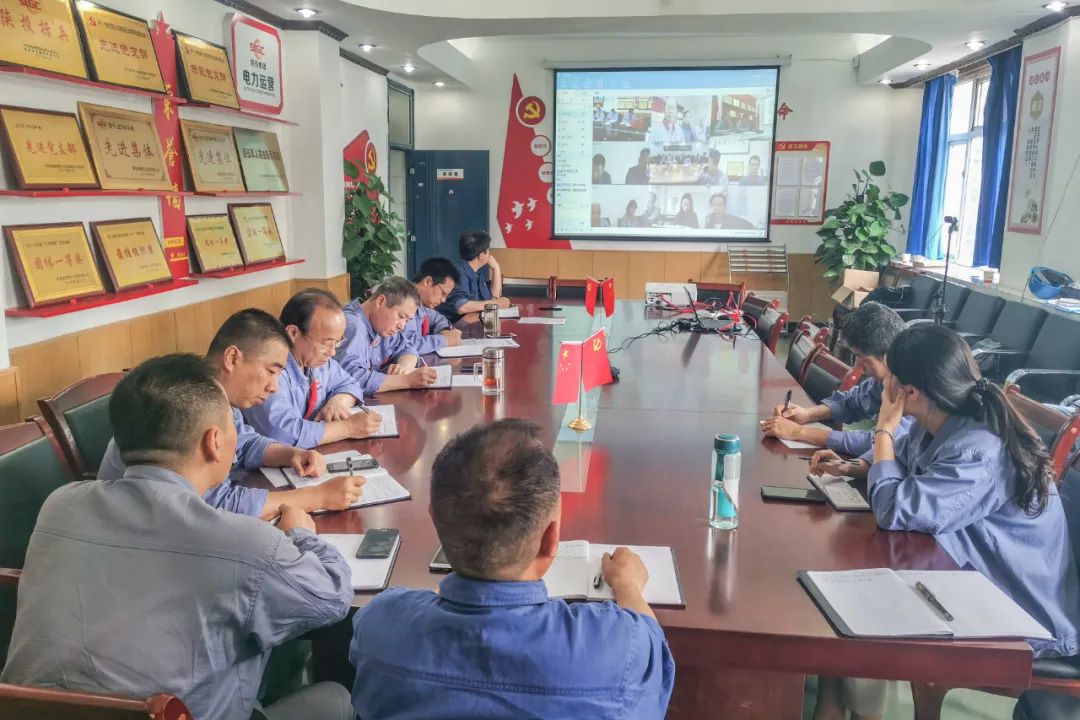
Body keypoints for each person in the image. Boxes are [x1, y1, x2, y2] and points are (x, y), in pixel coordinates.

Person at [1, 354, 354, 720]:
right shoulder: (246, 544)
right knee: (335, 698)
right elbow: (331, 597)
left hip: (28, 712)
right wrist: (300, 533)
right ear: (214, 442)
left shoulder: (60, 505)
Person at [814, 325, 1080, 720]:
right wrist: (857, 466)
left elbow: (894, 510)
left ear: (908, 392)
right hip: (971, 578)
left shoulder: (979, 448)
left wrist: (885, 426)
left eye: (888, 378)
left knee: (863, 604)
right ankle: (834, 702)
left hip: (1023, 611)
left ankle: (851, 708)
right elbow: (901, 457)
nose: (882, 385)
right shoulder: (946, 422)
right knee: (844, 587)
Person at [348, 419, 675, 718]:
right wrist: (628, 585)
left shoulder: (380, 623)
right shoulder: (615, 645)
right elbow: (652, 652)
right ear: (551, 539)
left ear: (435, 519)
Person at [97, 309, 365, 519]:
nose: (274, 386)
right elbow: (216, 505)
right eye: (271, 371)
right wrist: (317, 497)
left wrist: (291, 454)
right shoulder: (188, 405)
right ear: (233, 358)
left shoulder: (216, 396)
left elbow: (243, 442)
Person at [762, 302, 911, 460]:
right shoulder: (886, 376)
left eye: (862, 358)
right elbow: (853, 402)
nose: (856, 366)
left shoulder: (914, 386)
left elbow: (879, 441)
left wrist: (798, 432)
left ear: (888, 356)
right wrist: (807, 414)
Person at [244, 289, 383, 449]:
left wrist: (338, 402)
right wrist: (348, 428)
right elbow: (281, 432)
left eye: (337, 342)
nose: (332, 352)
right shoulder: (270, 370)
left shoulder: (318, 362)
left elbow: (351, 383)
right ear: (293, 333)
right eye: (326, 343)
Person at [338, 276, 438, 394]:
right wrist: (406, 380)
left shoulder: (381, 325)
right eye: (401, 316)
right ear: (381, 301)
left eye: (407, 320)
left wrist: (403, 367)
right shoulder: (353, 325)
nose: (402, 326)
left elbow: (407, 348)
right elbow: (352, 378)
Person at [439, 229, 511, 322]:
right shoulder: (460, 273)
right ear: (481, 256)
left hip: (471, 324)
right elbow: (461, 307)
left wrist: (496, 268)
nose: (489, 253)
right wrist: (496, 304)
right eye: (488, 250)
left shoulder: (476, 275)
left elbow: (494, 296)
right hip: (453, 327)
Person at [400, 256, 464, 355]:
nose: (443, 300)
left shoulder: (423, 305)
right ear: (428, 282)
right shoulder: (404, 301)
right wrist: (444, 340)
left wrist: (445, 331)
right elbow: (408, 345)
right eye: (443, 293)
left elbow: (439, 319)